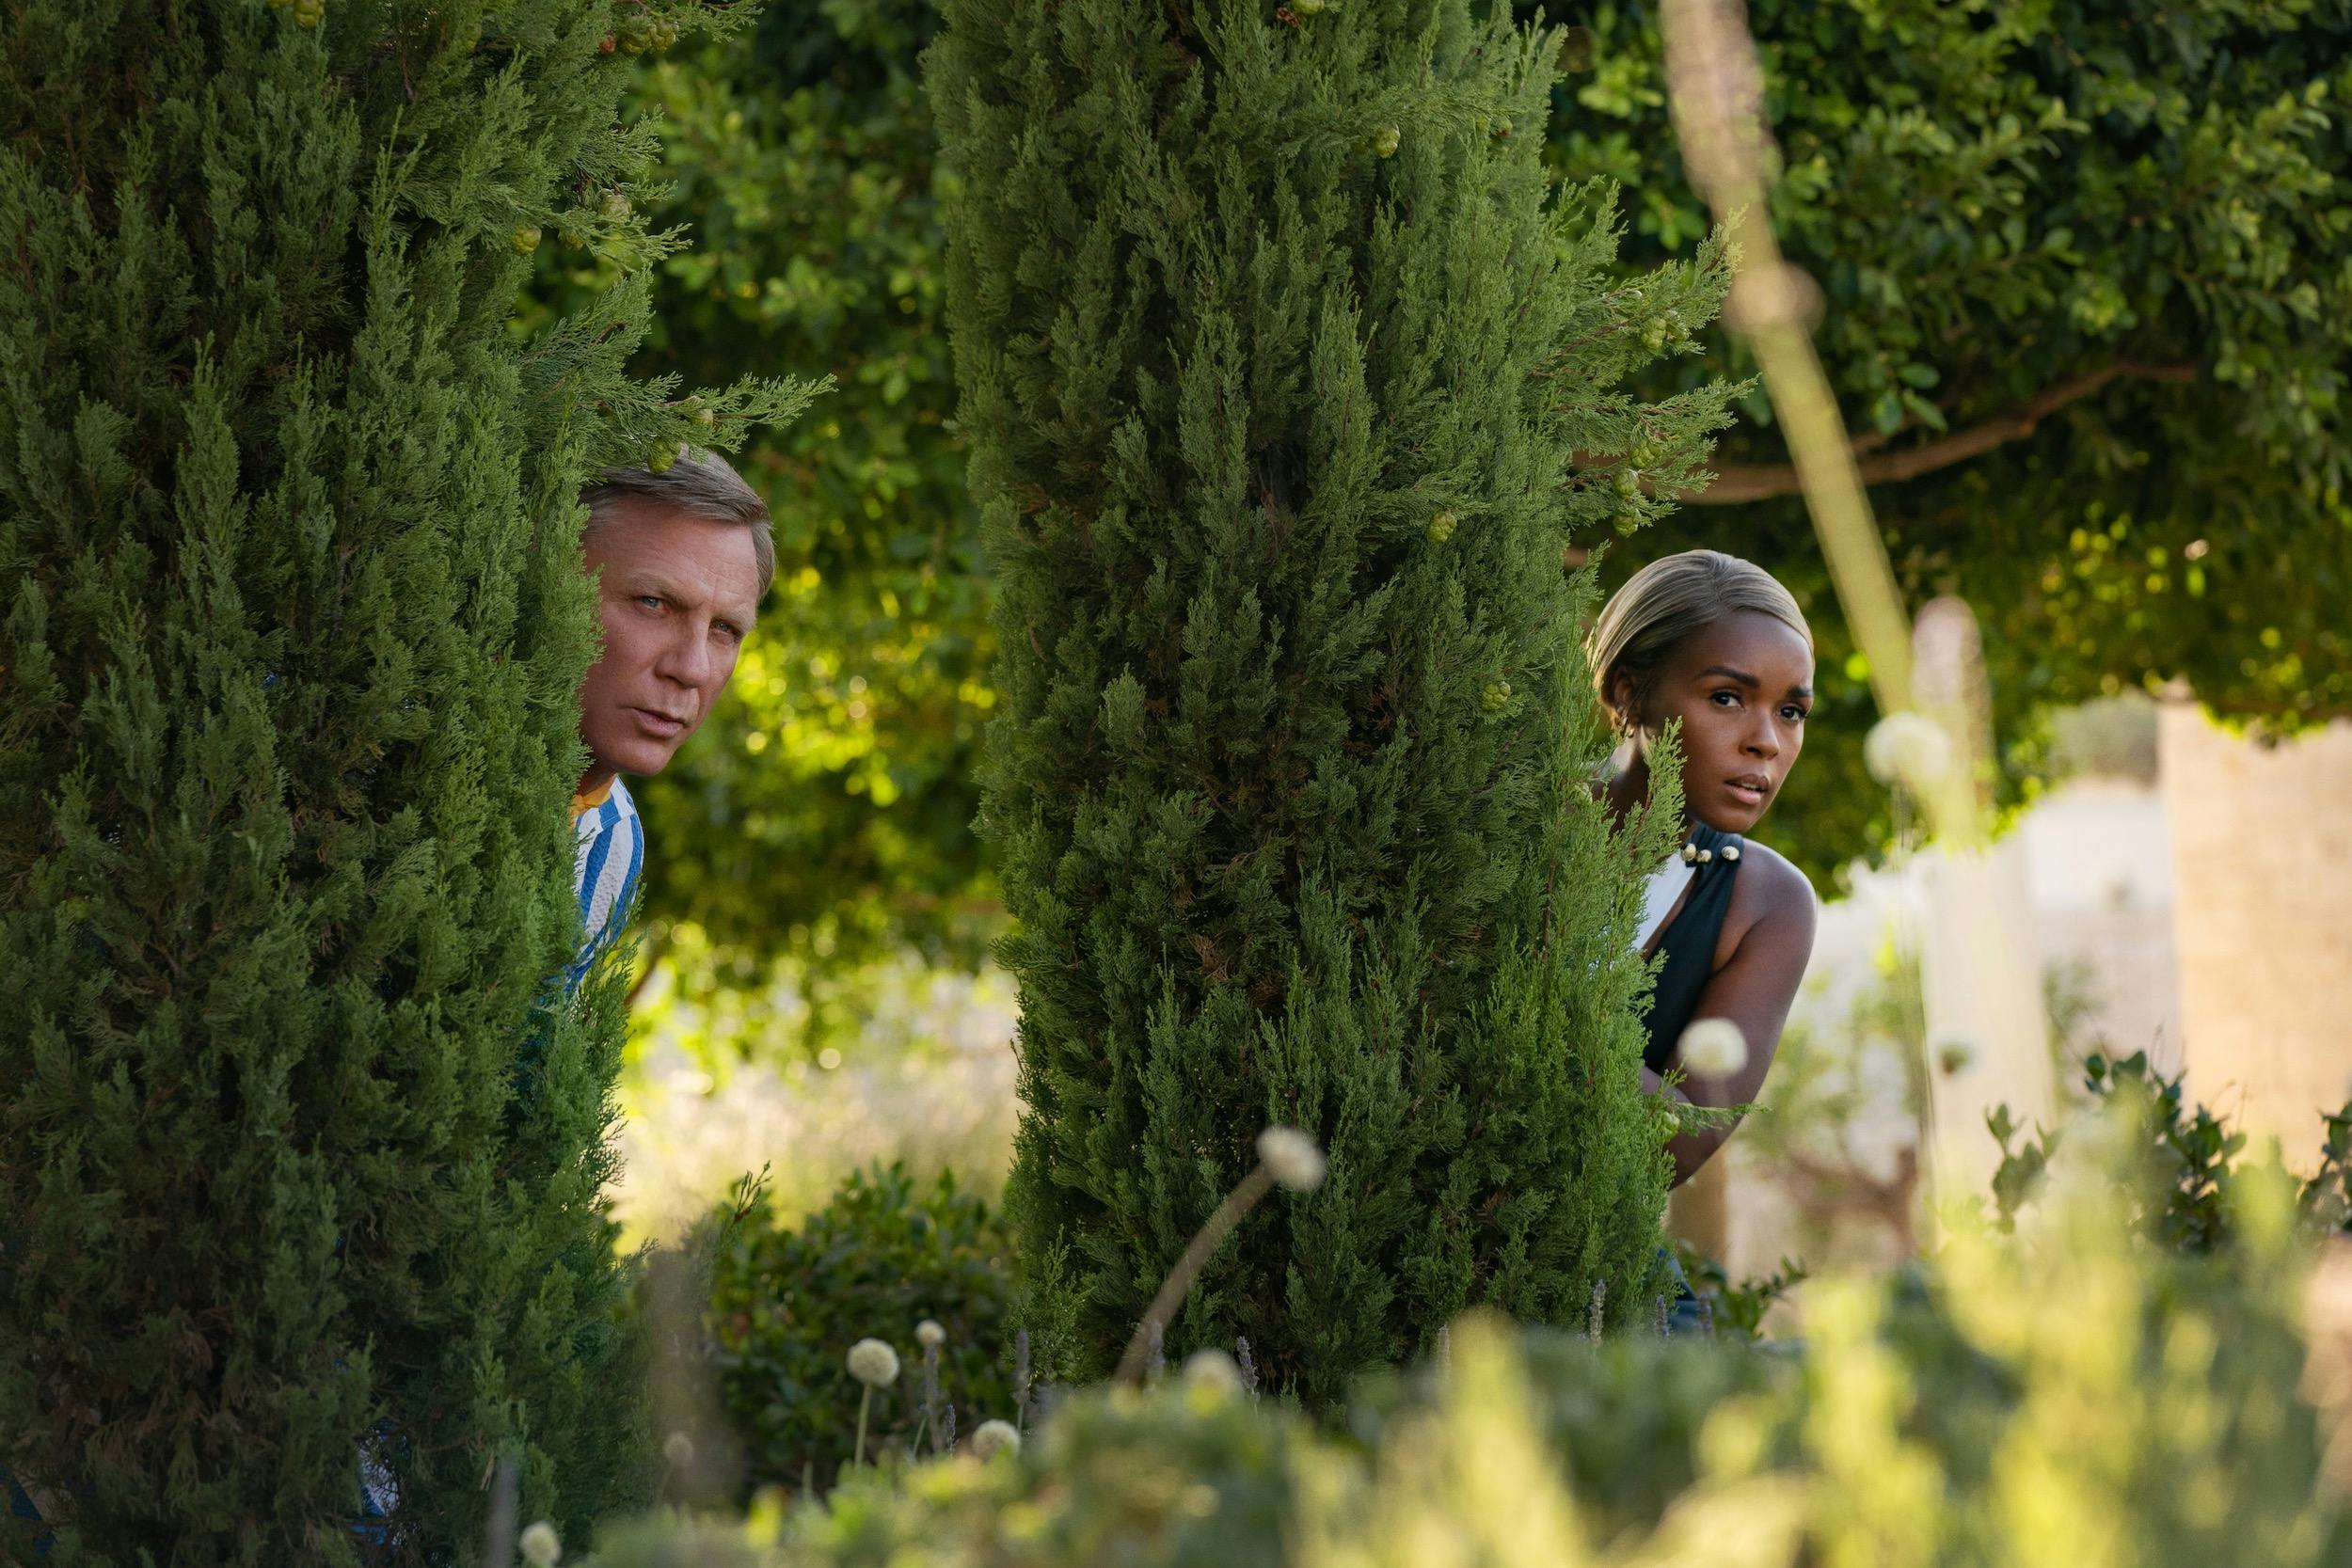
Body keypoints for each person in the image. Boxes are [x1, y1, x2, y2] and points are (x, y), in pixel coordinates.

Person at [1590, 548, 1819, 1193]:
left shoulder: (1768, 903)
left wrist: (1540, 986)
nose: (1767, 741)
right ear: (1628, 694)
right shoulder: (1506, 826)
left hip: (1599, 1268)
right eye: (1727, 697)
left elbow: (1681, 1144)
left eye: (1791, 711)